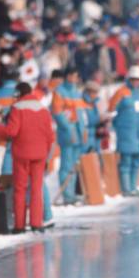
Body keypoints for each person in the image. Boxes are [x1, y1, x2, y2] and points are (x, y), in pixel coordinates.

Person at [0, 82, 54, 233]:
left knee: (20, 189)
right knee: (36, 189)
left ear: (19, 94)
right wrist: (47, 156)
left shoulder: (17, 108)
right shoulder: (43, 109)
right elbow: (50, 136)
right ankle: (36, 224)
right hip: (40, 155)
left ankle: (19, 225)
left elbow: (12, 131)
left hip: (22, 155)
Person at [109, 65, 139, 197]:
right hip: (126, 133)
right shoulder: (121, 92)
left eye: (138, 79)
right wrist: (117, 126)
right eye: (133, 79)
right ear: (129, 79)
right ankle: (126, 189)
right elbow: (112, 111)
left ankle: (133, 187)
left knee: (137, 161)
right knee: (126, 161)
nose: (136, 81)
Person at [52, 66, 86, 205]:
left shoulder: (77, 92)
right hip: (67, 133)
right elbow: (57, 113)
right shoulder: (60, 92)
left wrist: (83, 130)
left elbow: (80, 113)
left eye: (76, 76)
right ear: (66, 77)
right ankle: (67, 195)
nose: (73, 79)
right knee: (66, 165)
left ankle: (72, 193)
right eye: (71, 76)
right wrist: (68, 129)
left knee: (73, 165)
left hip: (77, 131)